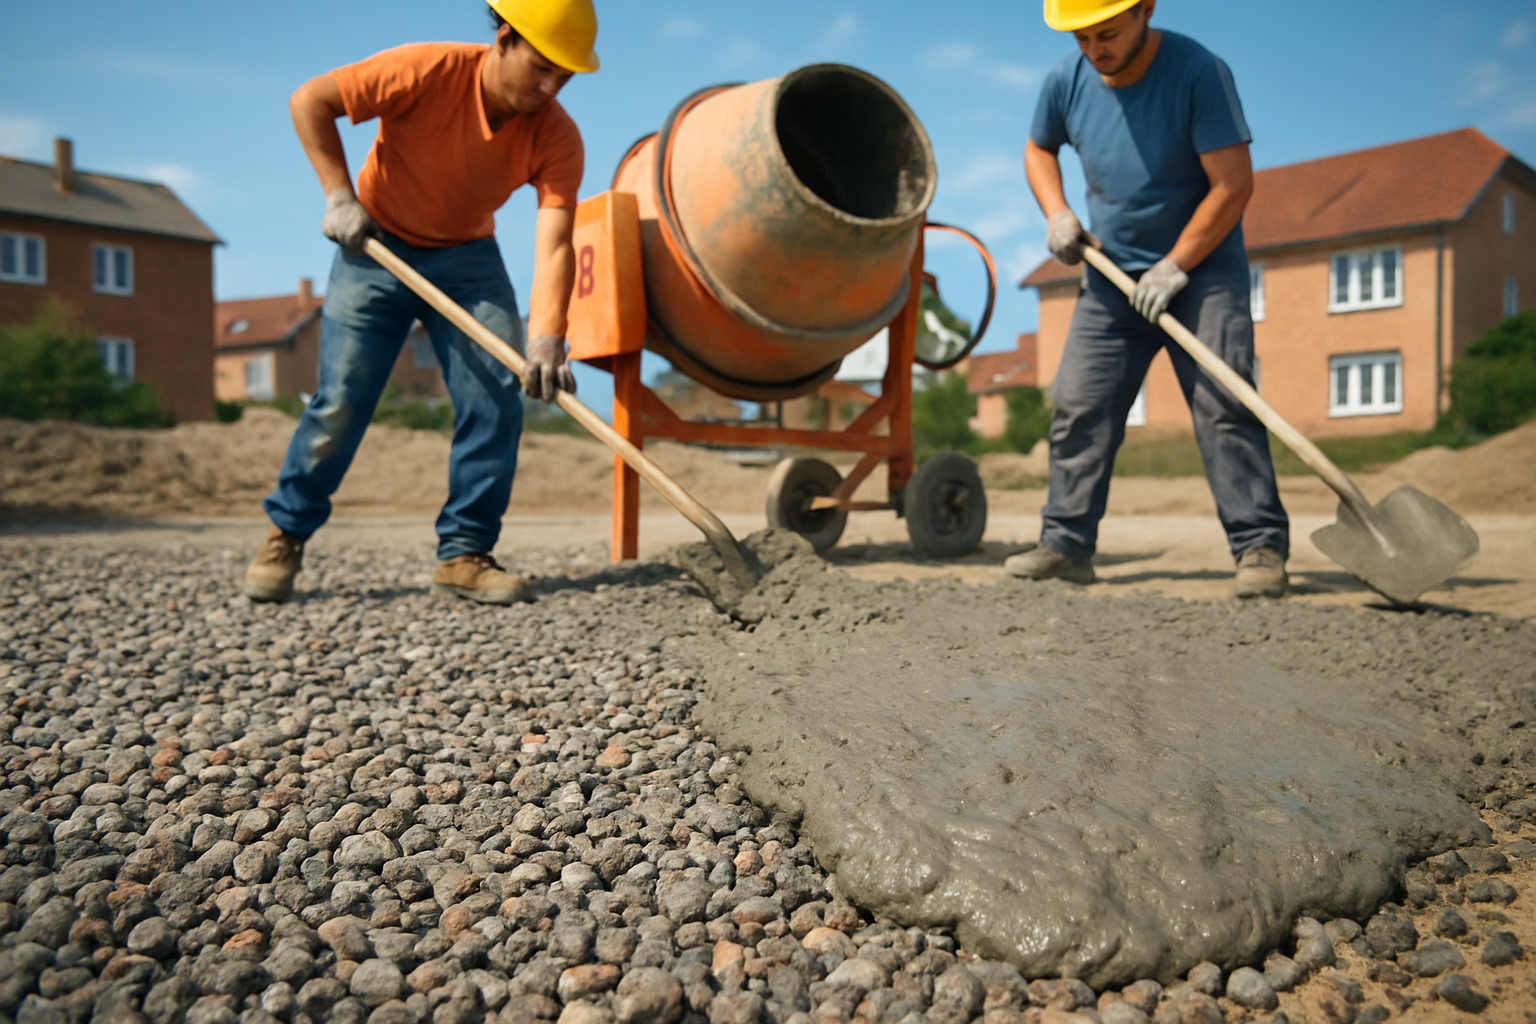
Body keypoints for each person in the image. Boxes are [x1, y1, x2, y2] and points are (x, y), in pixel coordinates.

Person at [242, 0, 597, 606]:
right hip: (374, 245)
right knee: (343, 400)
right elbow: (311, 100)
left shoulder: (557, 136)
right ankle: (286, 533)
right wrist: (338, 196)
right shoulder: (427, 71)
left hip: (468, 260)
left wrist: (547, 338)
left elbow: (557, 242)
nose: (550, 86)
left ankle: (464, 553)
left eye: (564, 75)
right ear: (505, 38)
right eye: (542, 66)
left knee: (496, 396)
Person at [1005, 0, 1290, 598]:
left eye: (1106, 33)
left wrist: (1175, 266)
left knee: (1225, 405)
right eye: (1082, 37)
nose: (1094, 50)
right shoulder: (1068, 78)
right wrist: (1057, 212)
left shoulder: (1197, 72)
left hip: (1201, 275)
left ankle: (1258, 547)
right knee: (1081, 406)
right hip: (1110, 277)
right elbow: (1038, 149)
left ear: (1147, 10)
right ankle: (1066, 545)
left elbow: (1235, 185)